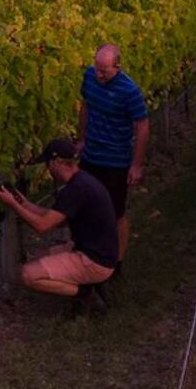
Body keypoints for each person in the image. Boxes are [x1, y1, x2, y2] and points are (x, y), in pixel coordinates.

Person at [0, 138, 119, 312]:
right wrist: (22, 202)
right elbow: (53, 218)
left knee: (28, 274)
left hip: (94, 261)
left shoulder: (74, 190)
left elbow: (42, 226)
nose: (47, 169)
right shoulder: (81, 182)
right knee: (38, 257)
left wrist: (13, 204)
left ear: (58, 162)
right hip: (98, 253)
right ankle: (89, 285)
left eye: (48, 164)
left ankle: (85, 293)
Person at [75, 43, 149, 274]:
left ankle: (116, 262)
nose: (99, 74)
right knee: (85, 207)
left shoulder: (129, 91)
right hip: (90, 157)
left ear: (117, 67)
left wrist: (136, 165)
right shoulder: (89, 77)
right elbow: (86, 106)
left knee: (116, 213)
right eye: (97, 68)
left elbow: (143, 126)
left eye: (104, 70)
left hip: (115, 162)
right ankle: (87, 253)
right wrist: (81, 139)